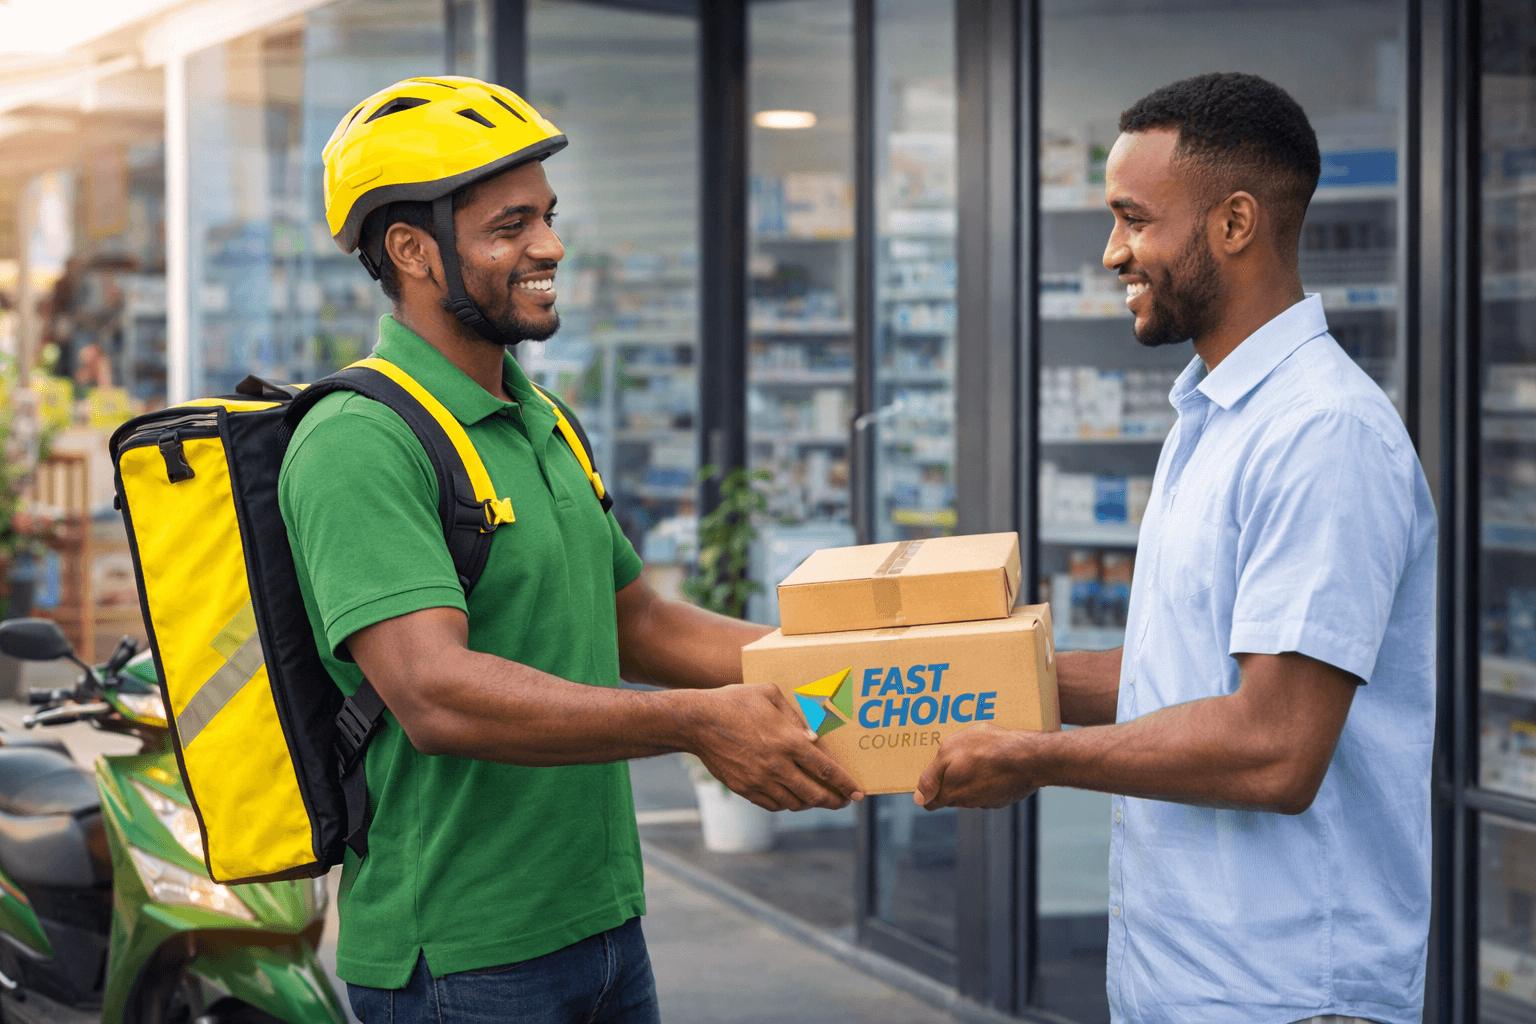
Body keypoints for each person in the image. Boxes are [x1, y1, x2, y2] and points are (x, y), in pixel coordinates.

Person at [281, 76, 861, 1024]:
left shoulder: (540, 417)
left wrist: (847, 671)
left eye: (547, 218)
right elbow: (433, 692)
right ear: (413, 250)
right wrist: (696, 723)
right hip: (461, 959)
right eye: (509, 225)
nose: (550, 246)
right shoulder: (359, 439)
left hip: (603, 929)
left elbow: (642, 620)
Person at [914, 73, 1435, 1024]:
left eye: (1132, 219)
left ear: (1234, 224)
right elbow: (1183, 674)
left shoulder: (1324, 434)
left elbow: (1276, 748)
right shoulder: (1213, 415)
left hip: (1287, 995)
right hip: (1181, 976)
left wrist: (1036, 757)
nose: (1113, 252)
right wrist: (952, 675)